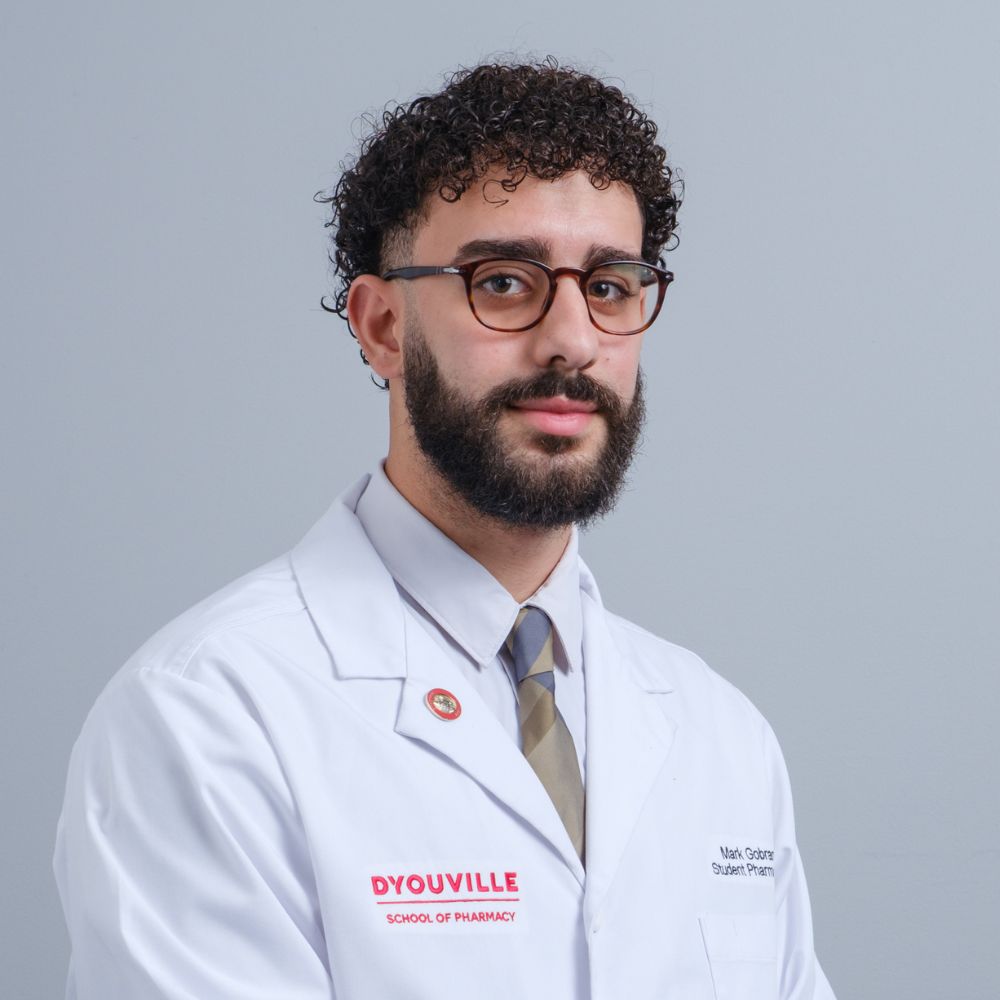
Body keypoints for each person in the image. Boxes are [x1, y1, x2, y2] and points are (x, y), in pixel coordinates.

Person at [54, 60, 836, 999]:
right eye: (502, 281)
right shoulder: (208, 719)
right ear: (383, 326)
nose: (572, 339)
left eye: (610, 286)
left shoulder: (722, 735)